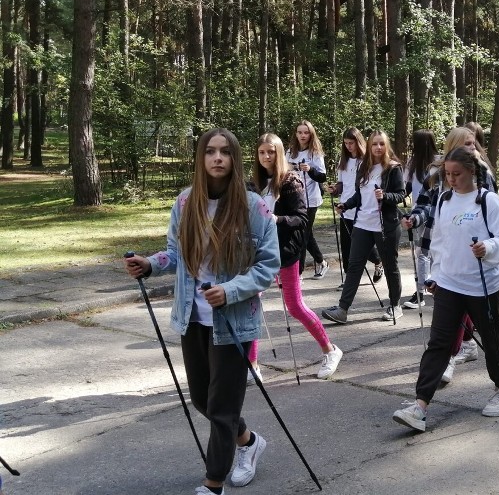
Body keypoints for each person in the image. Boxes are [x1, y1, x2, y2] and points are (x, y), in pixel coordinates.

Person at [124, 128, 279, 494]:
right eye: (210, 151)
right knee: (202, 400)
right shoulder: (184, 202)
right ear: (201, 158)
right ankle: (249, 442)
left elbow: (268, 265)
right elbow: (175, 254)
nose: (218, 158)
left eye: (225, 152)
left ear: (235, 158)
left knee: (222, 409)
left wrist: (230, 290)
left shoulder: (254, 207)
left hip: (234, 321)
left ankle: (212, 484)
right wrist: (149, 264)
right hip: (193, 317)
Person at [393, 147, 499, 432]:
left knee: (492, 338)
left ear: (472, 171)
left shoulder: (489, 201)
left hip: (483, 285)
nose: (451, 179)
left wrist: (489, 247)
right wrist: (434, 275)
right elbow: (439, 242)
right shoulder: (444, 200)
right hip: (449, 284)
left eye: (456, 174)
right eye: (447, 174)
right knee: (439, 343)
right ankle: (420, 406)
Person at [255, 133, 343, 378]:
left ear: (279, 153)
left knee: (294, 307)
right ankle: (251, 365)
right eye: (262, 152)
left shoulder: (290, 180)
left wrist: (277, 219)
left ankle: (330, 350)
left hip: (285, 253)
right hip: (260, 254)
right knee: (251, 305)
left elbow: (302, 219)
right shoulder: (255, 182)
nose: (266, 157)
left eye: (271, 152)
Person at [322, 130, 406, 324]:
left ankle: (395, 305)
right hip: (362, 224)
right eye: (374, 144)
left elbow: (401, 195)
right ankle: (342, 310)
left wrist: (386, 195)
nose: (378, 147)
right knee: (354, 266)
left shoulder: (393, 168)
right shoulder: (364, 167)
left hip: (385, 226)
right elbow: (360, 195)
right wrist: (346, 204)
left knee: (390, 266)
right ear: (369, 146)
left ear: (386, 146)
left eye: (381, 144)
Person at [325, 127, 382, 289]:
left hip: (360, 207)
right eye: (346, 143)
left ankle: (378, 260)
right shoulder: (343, 162)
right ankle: (349, 279)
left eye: (351, 143)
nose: (348, 146)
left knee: (360, 243)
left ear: (359, 142)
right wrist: (335, 189)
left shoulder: (366, 161)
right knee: (346, 245)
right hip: (345, 207)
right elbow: (342, 184)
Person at [402, 129, 441, 309]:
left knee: (429, 252)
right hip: (418, 212)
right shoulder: (412, 162)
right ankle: (422, 289)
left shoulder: (438, 163)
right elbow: (408, 185)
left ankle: (427, 288)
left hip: (435, 212)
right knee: (422, 252)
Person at [285, 120, 328, 279]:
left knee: (302, 235)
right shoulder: (290, 152)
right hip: (294, 199)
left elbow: (322, 177)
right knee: (304, 234)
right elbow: (283, 171)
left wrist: (310, 170)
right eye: (300, 132)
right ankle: (321, 261)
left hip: (311, 199)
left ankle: (298, 273)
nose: (303, 135)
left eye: (306, 132)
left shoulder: (315, 153)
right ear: (296, 134)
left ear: (311, 134)